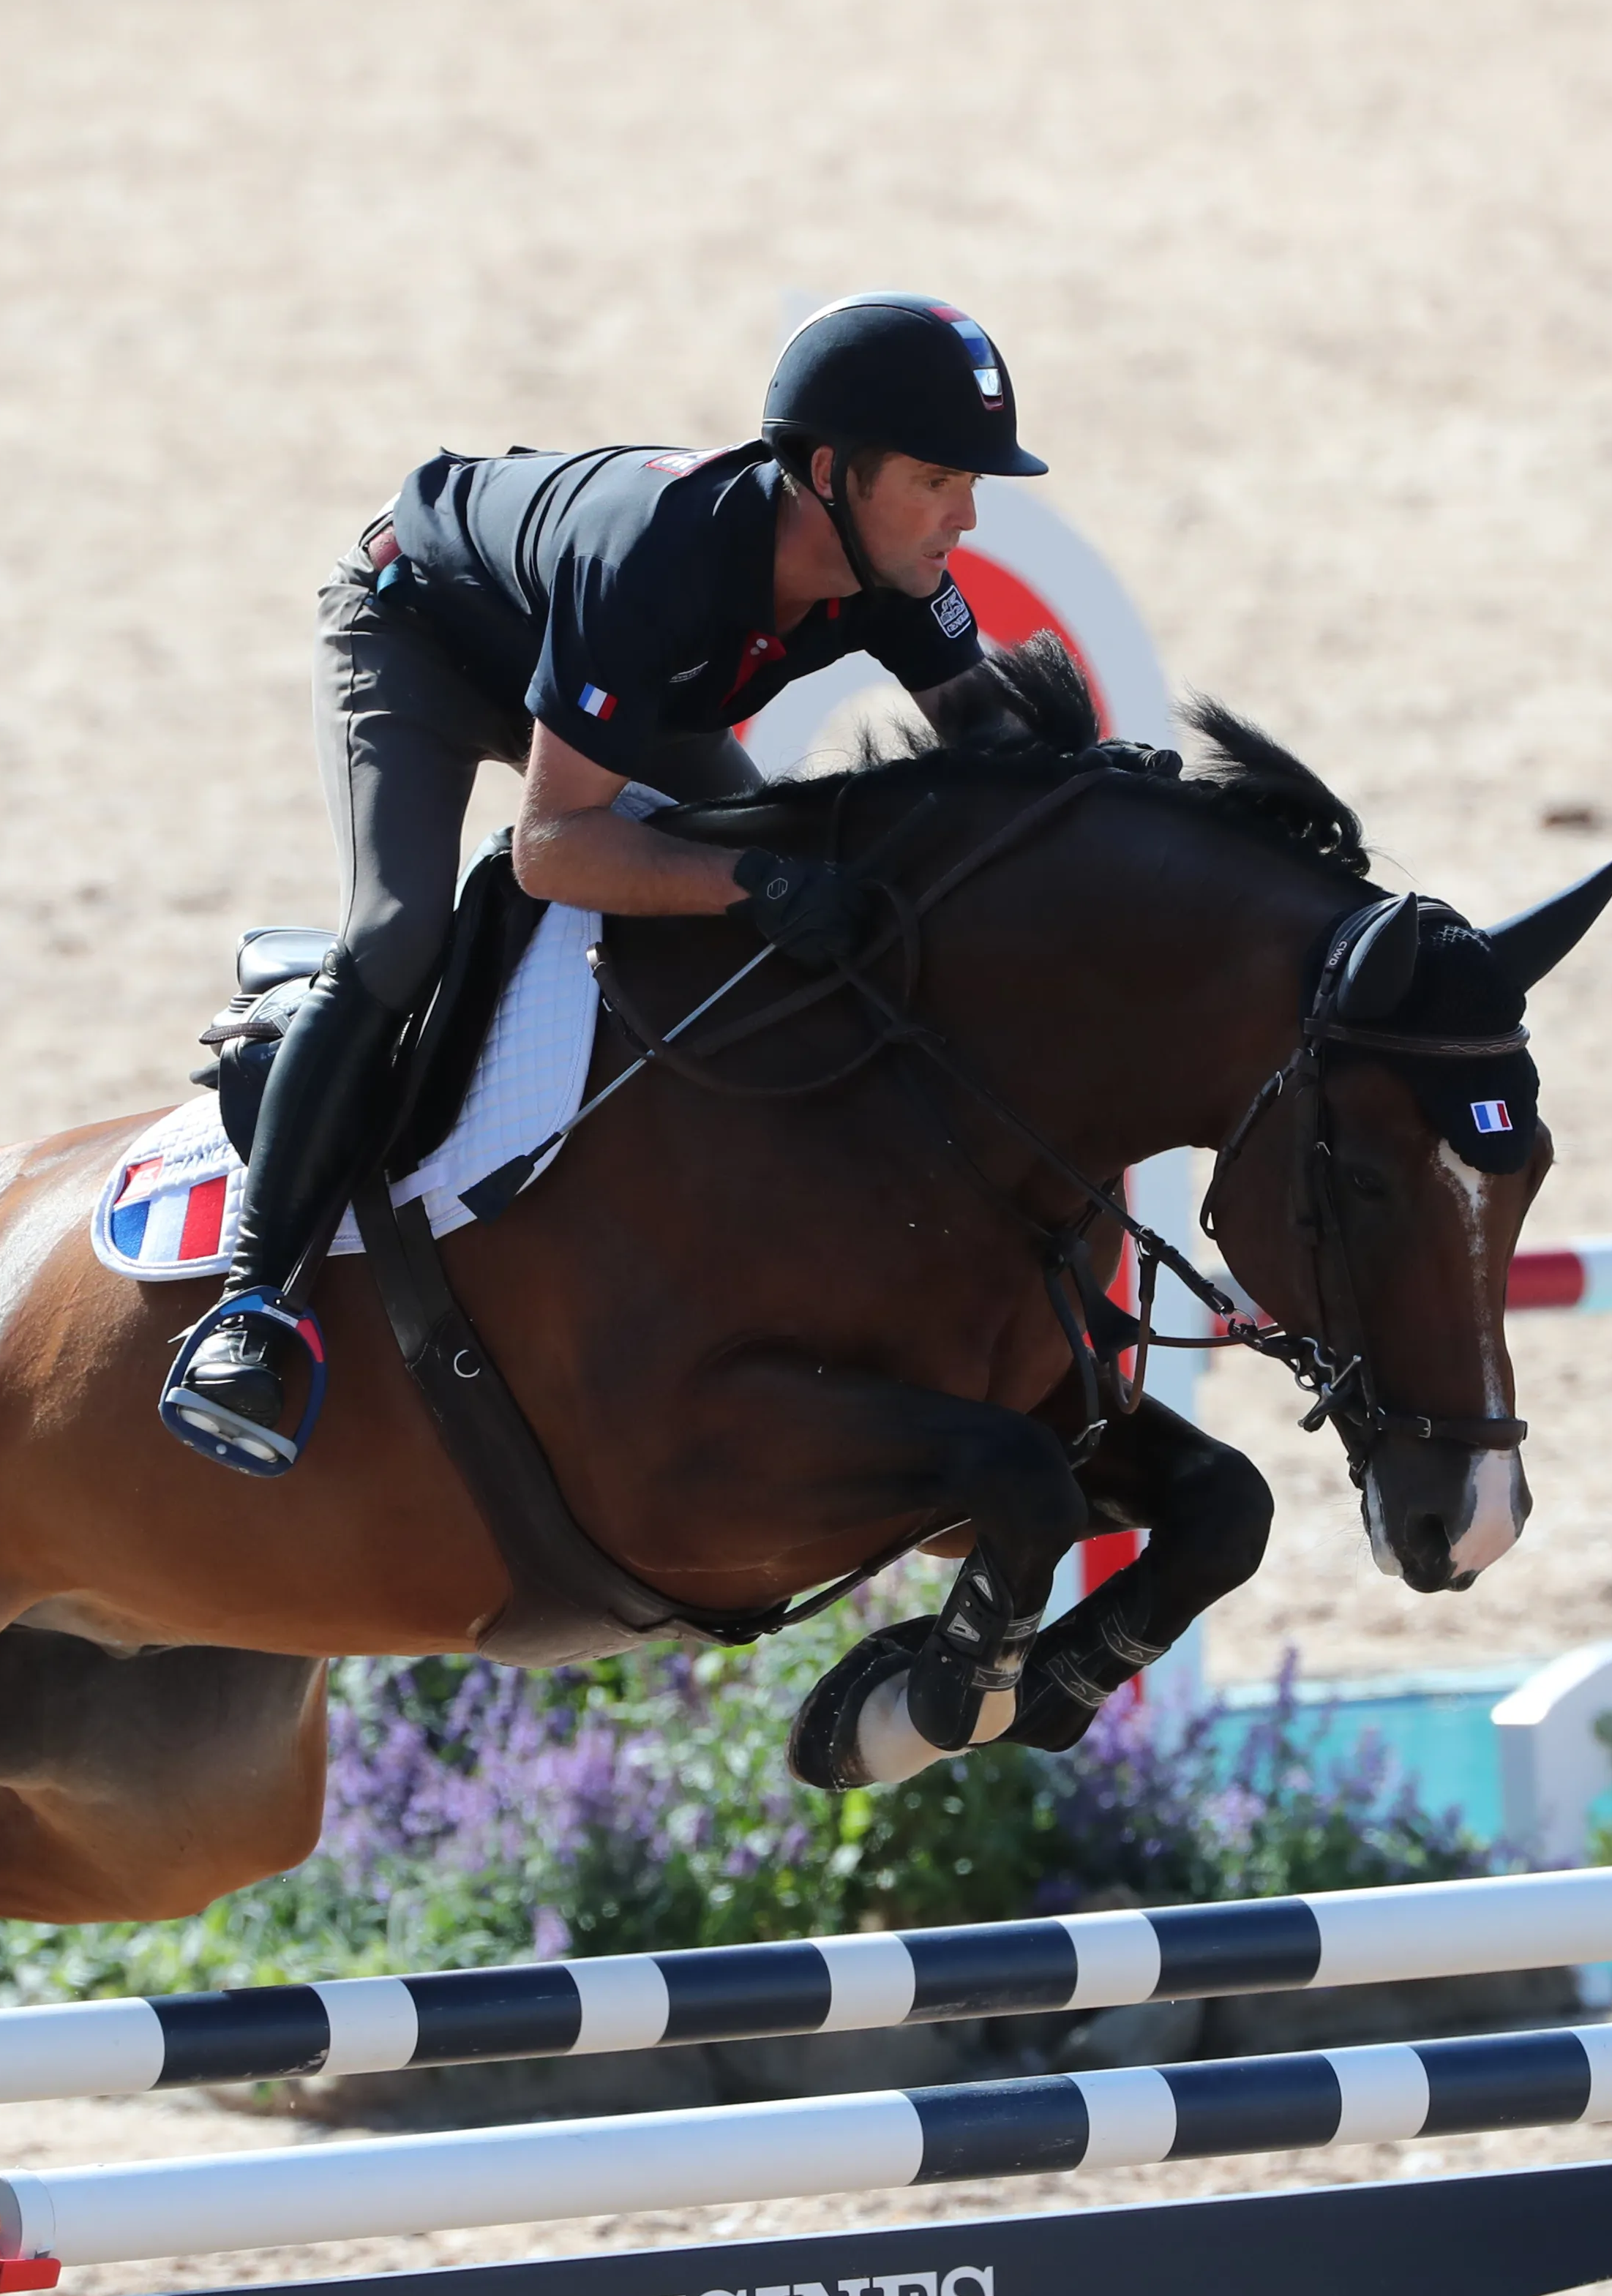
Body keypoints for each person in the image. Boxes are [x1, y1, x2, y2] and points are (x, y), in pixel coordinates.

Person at [160, 293, 1054, 1475]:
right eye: (940, 478)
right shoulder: (662, 558)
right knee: (398, 932)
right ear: (832, 471)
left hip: (624, 691)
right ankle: (250, 1307)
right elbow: (554, 850)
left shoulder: (893, 569)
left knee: (757, 896)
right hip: (422, 637)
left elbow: (997, 753)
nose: (968, 513)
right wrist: (759, 881)